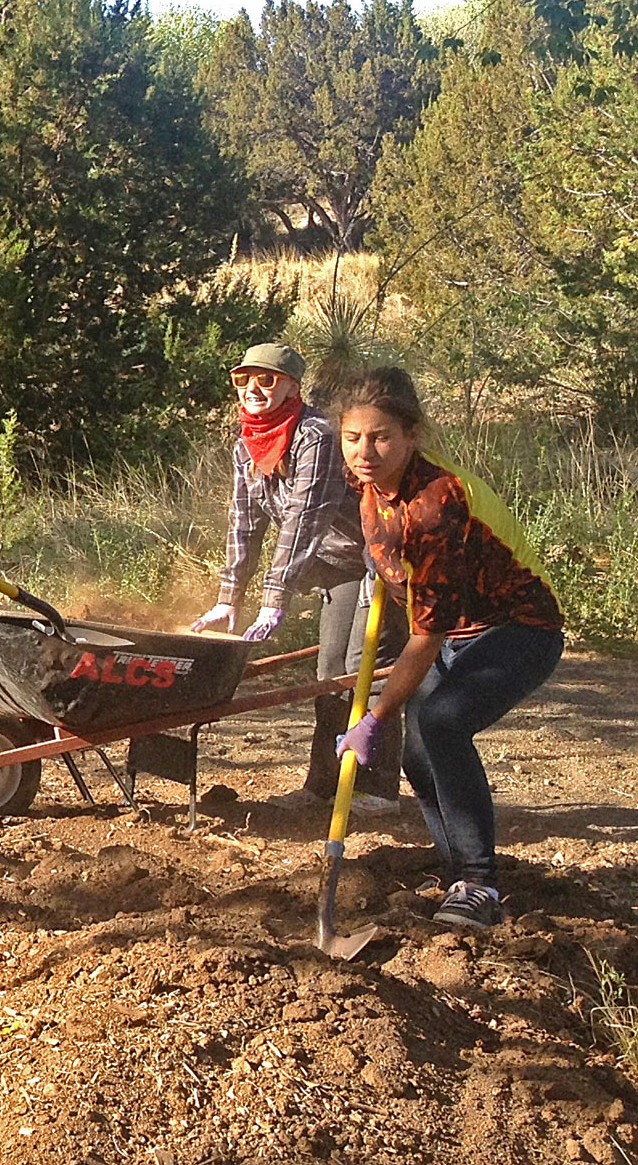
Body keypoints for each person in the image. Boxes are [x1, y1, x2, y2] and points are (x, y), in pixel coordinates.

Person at [334, 366, 564, 927]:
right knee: (418, 754)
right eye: (353, 436)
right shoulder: (369, 485)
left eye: (382, 436)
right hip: (453, 630)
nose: (365, 450)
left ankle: (480, 887)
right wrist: (380, 571)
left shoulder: (437, 504)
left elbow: (425, 633)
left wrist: (376, 716)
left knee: (440, 722)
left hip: (517, 627)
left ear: (412, 436)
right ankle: (457, 865)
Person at [192, 343, 407, 813]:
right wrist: (231, 595)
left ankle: (378, 787)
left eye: (267, 380)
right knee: (330, 675)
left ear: (292, 386)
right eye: (244, 378)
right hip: (333, 567)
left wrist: (275, 596)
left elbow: (304, 518)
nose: (253, 388)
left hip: (377, 560)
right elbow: (244, 522)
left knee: (366, 669)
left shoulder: (316, 436)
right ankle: (323, 784)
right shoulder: (246, 444)